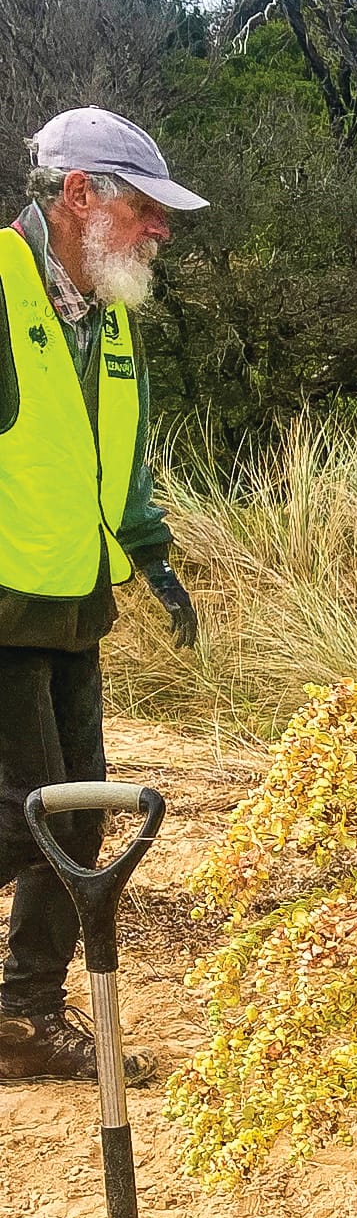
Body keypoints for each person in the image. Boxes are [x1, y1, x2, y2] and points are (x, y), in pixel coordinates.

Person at [0, 107, 205, 1083]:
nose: (159, 228)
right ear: (78, 195)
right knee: (21, 815)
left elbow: (120, 461)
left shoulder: (110, 318)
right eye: (143, 209)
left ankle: (24, 1014)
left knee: (78, 816)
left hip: (72, 600)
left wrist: (153, 557)